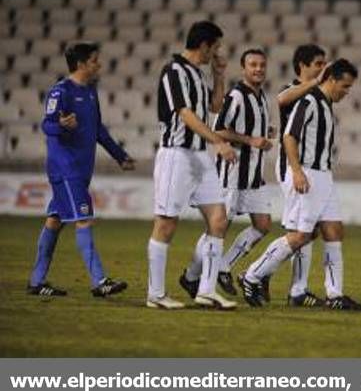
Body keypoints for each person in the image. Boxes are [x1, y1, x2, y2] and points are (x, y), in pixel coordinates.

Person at [239, 59, 361, 311]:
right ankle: (251, 275)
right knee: (300, 235)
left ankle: (334, 294)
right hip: (308, 174)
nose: (346, 92)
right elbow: (288, 136)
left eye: (349, 87)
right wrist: (296, 171)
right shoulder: (308, 102)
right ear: (331, 79)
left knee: (333, 230)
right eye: (344, 86)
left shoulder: (326, 104)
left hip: (324, 175)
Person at [27, 41, 133, 297]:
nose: (99, 64)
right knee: (84, 219)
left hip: (81, 170)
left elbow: (98, 129)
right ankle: (100, 281)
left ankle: (36, 281)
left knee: (55, 220)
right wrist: (62, 125)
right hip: (66, 168)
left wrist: (120, 156)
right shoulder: (60, 91)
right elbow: (47, 125)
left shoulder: (90, 91)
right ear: (82, 63)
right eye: (95, 60)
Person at [146, 21, 237, 310]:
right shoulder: (173, 71)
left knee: (219, 220)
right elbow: (185, 113)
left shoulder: (198, 74)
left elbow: (213, 107)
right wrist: (218, 141)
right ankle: (155, 294)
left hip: (199, 156)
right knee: (166, 223)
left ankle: (206, 291)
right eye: (216, 47)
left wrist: (219, 75)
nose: (218, 52)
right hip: (177, 155)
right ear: (205, 45)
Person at [213, 49, 274, 297]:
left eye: (262, 65)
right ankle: (196, 274)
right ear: (244, 69)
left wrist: (264, 132)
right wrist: (251, 140)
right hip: (233, 171)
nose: (258, 69)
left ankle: (223, 266)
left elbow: (249, 129)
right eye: (253, 65)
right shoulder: (237, 95)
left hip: (254, 175)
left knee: (263, 225)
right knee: (219, 227)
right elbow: (219, 130)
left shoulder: (261, 97)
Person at [276, 44, 331, 307]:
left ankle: (294, 286)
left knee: (309, 229)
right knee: (299, 229)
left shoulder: (318, 95)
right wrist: (317, 83)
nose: (322, 68)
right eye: (318, 63)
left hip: (307, 169)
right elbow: (281, 100)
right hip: (292, 167)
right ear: (302, 66)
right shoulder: (292, 90)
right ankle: (290, 287)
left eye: (324, 64)